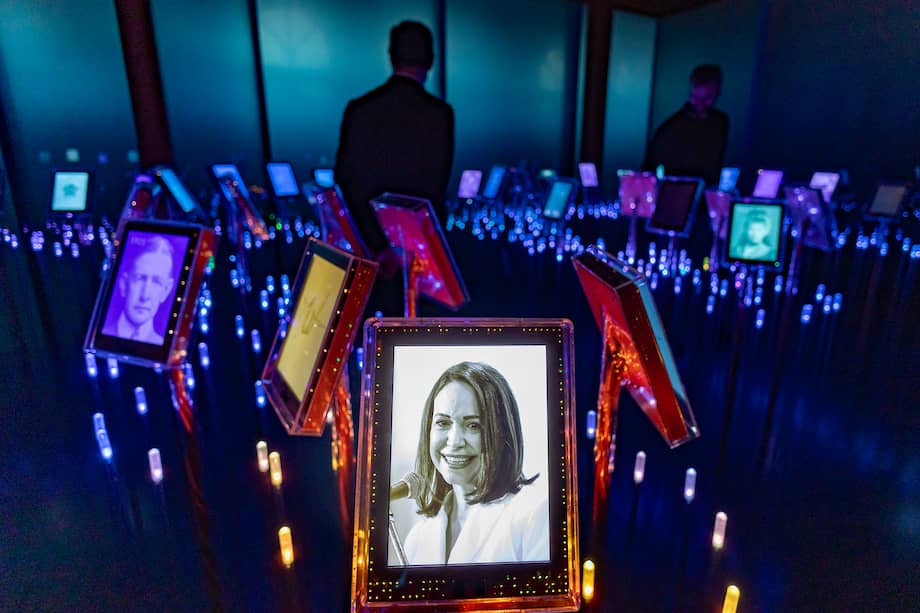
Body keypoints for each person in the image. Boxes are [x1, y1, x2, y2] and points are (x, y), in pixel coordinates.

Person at [334, 20, 455, 280]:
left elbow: (345, 177)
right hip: (420, 254)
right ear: (431, 61)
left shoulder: (359, 109)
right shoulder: (440, 115)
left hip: (371, 254)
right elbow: (435, 187)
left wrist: (375, 245)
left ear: (390, 57)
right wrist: (407, 247)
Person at [402, 362, 549, 565]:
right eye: (443, 423)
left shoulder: (535, 513)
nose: (454, 441)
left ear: (502, 433)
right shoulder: (417, 539)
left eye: (473, 425)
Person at [643, 65, 728, 186]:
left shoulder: (720, 123)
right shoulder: (670, 128)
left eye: (707, 99)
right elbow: (649, 170)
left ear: (718, 93)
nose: (700, 105)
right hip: (676, 194)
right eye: (695, 98)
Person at [102, 235, 176, 344]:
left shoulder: (165, 348)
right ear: (124, 284)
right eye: (139, 279)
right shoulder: (101, 335)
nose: (145, 296)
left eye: (156, 282)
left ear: (166, 291)